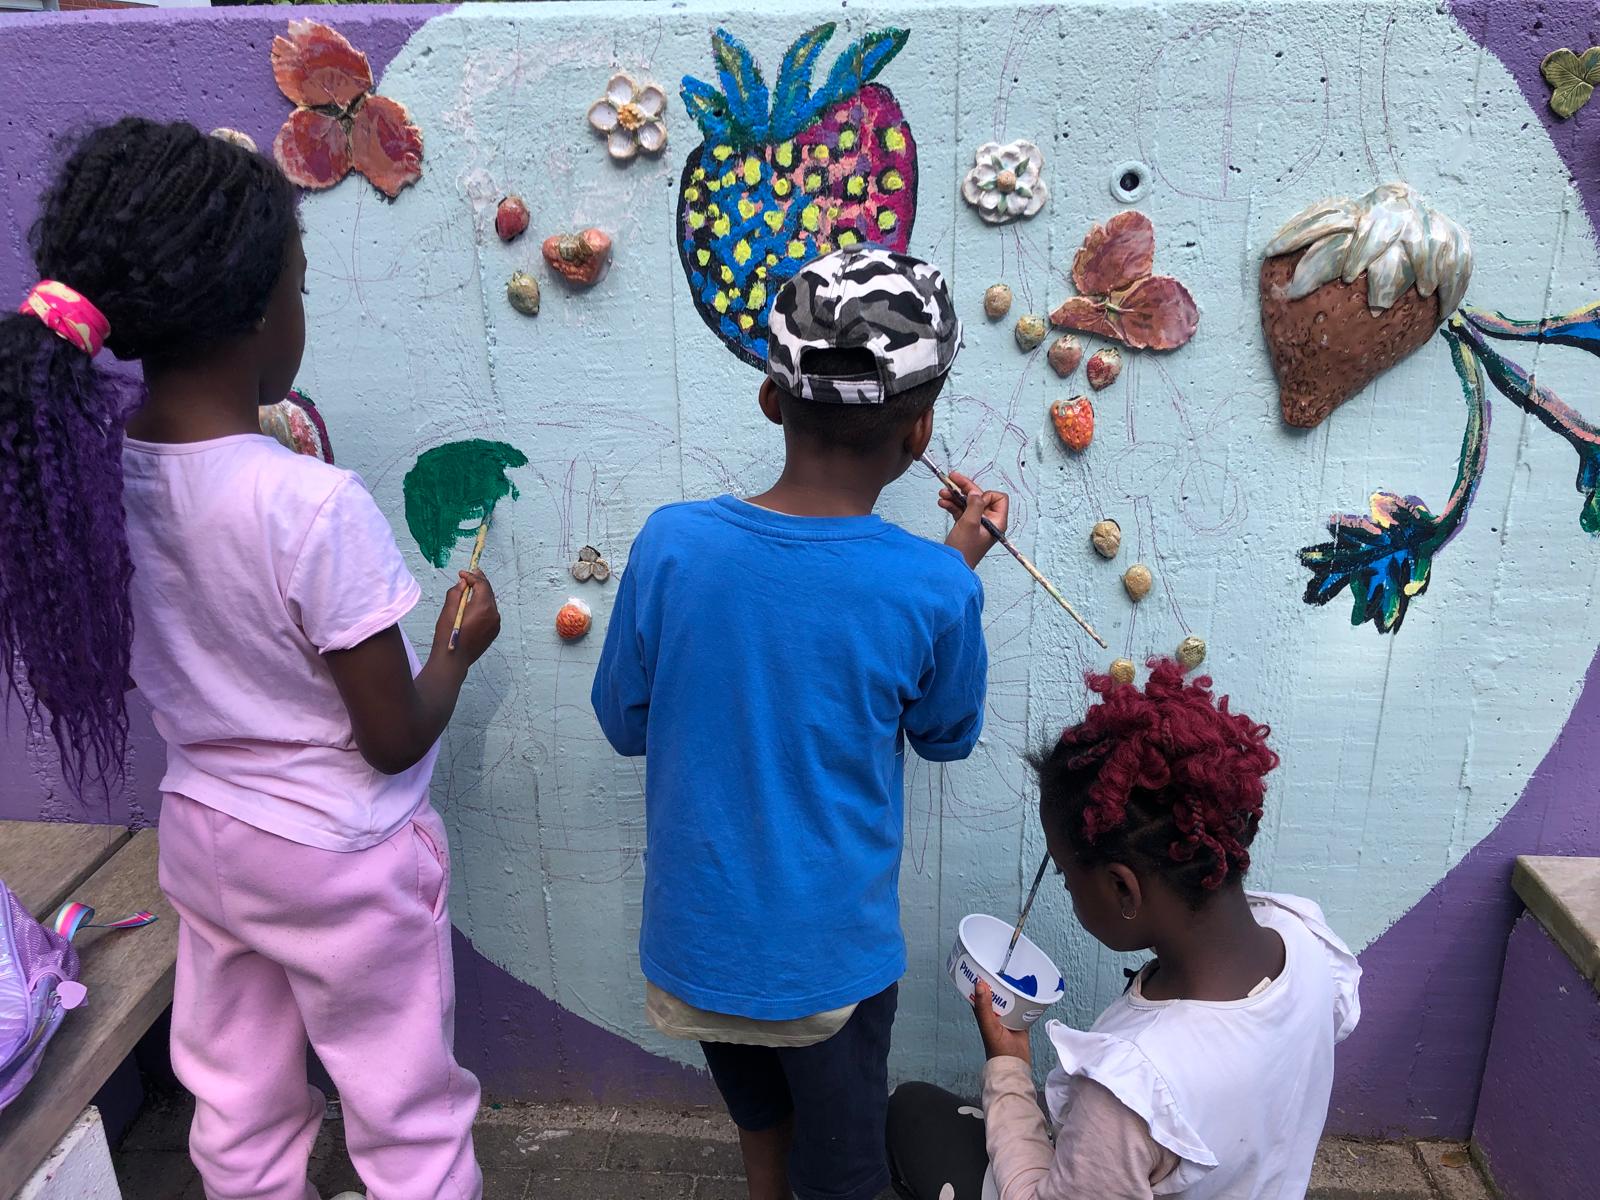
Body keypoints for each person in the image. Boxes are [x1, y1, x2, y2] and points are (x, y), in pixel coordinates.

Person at [0, 118, 498, 1200]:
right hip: (342, 856)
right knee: (404, 1107)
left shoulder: (89, 481)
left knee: (238, 1100)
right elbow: (390, 737)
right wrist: (457, 651)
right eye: (301, 287)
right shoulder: (311, 504)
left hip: (210, 839)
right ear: (259, 312)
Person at [592, 246, 1008, 1200]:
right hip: (830, 972)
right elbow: (945, 733)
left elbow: (624, 720)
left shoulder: (671, 545)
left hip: (696, 956)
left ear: (771, 400)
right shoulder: (934, 586)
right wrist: (951, 570)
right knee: (848, 1170)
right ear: (920, 431)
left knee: (761, 1123)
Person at [886, 659, 1361, 1200]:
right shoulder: (1303, 936)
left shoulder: (1133, 1090)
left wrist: (1009, 1069)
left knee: (911, 1111)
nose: (1067, 887)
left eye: (1065, 875)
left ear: (1123, 888)